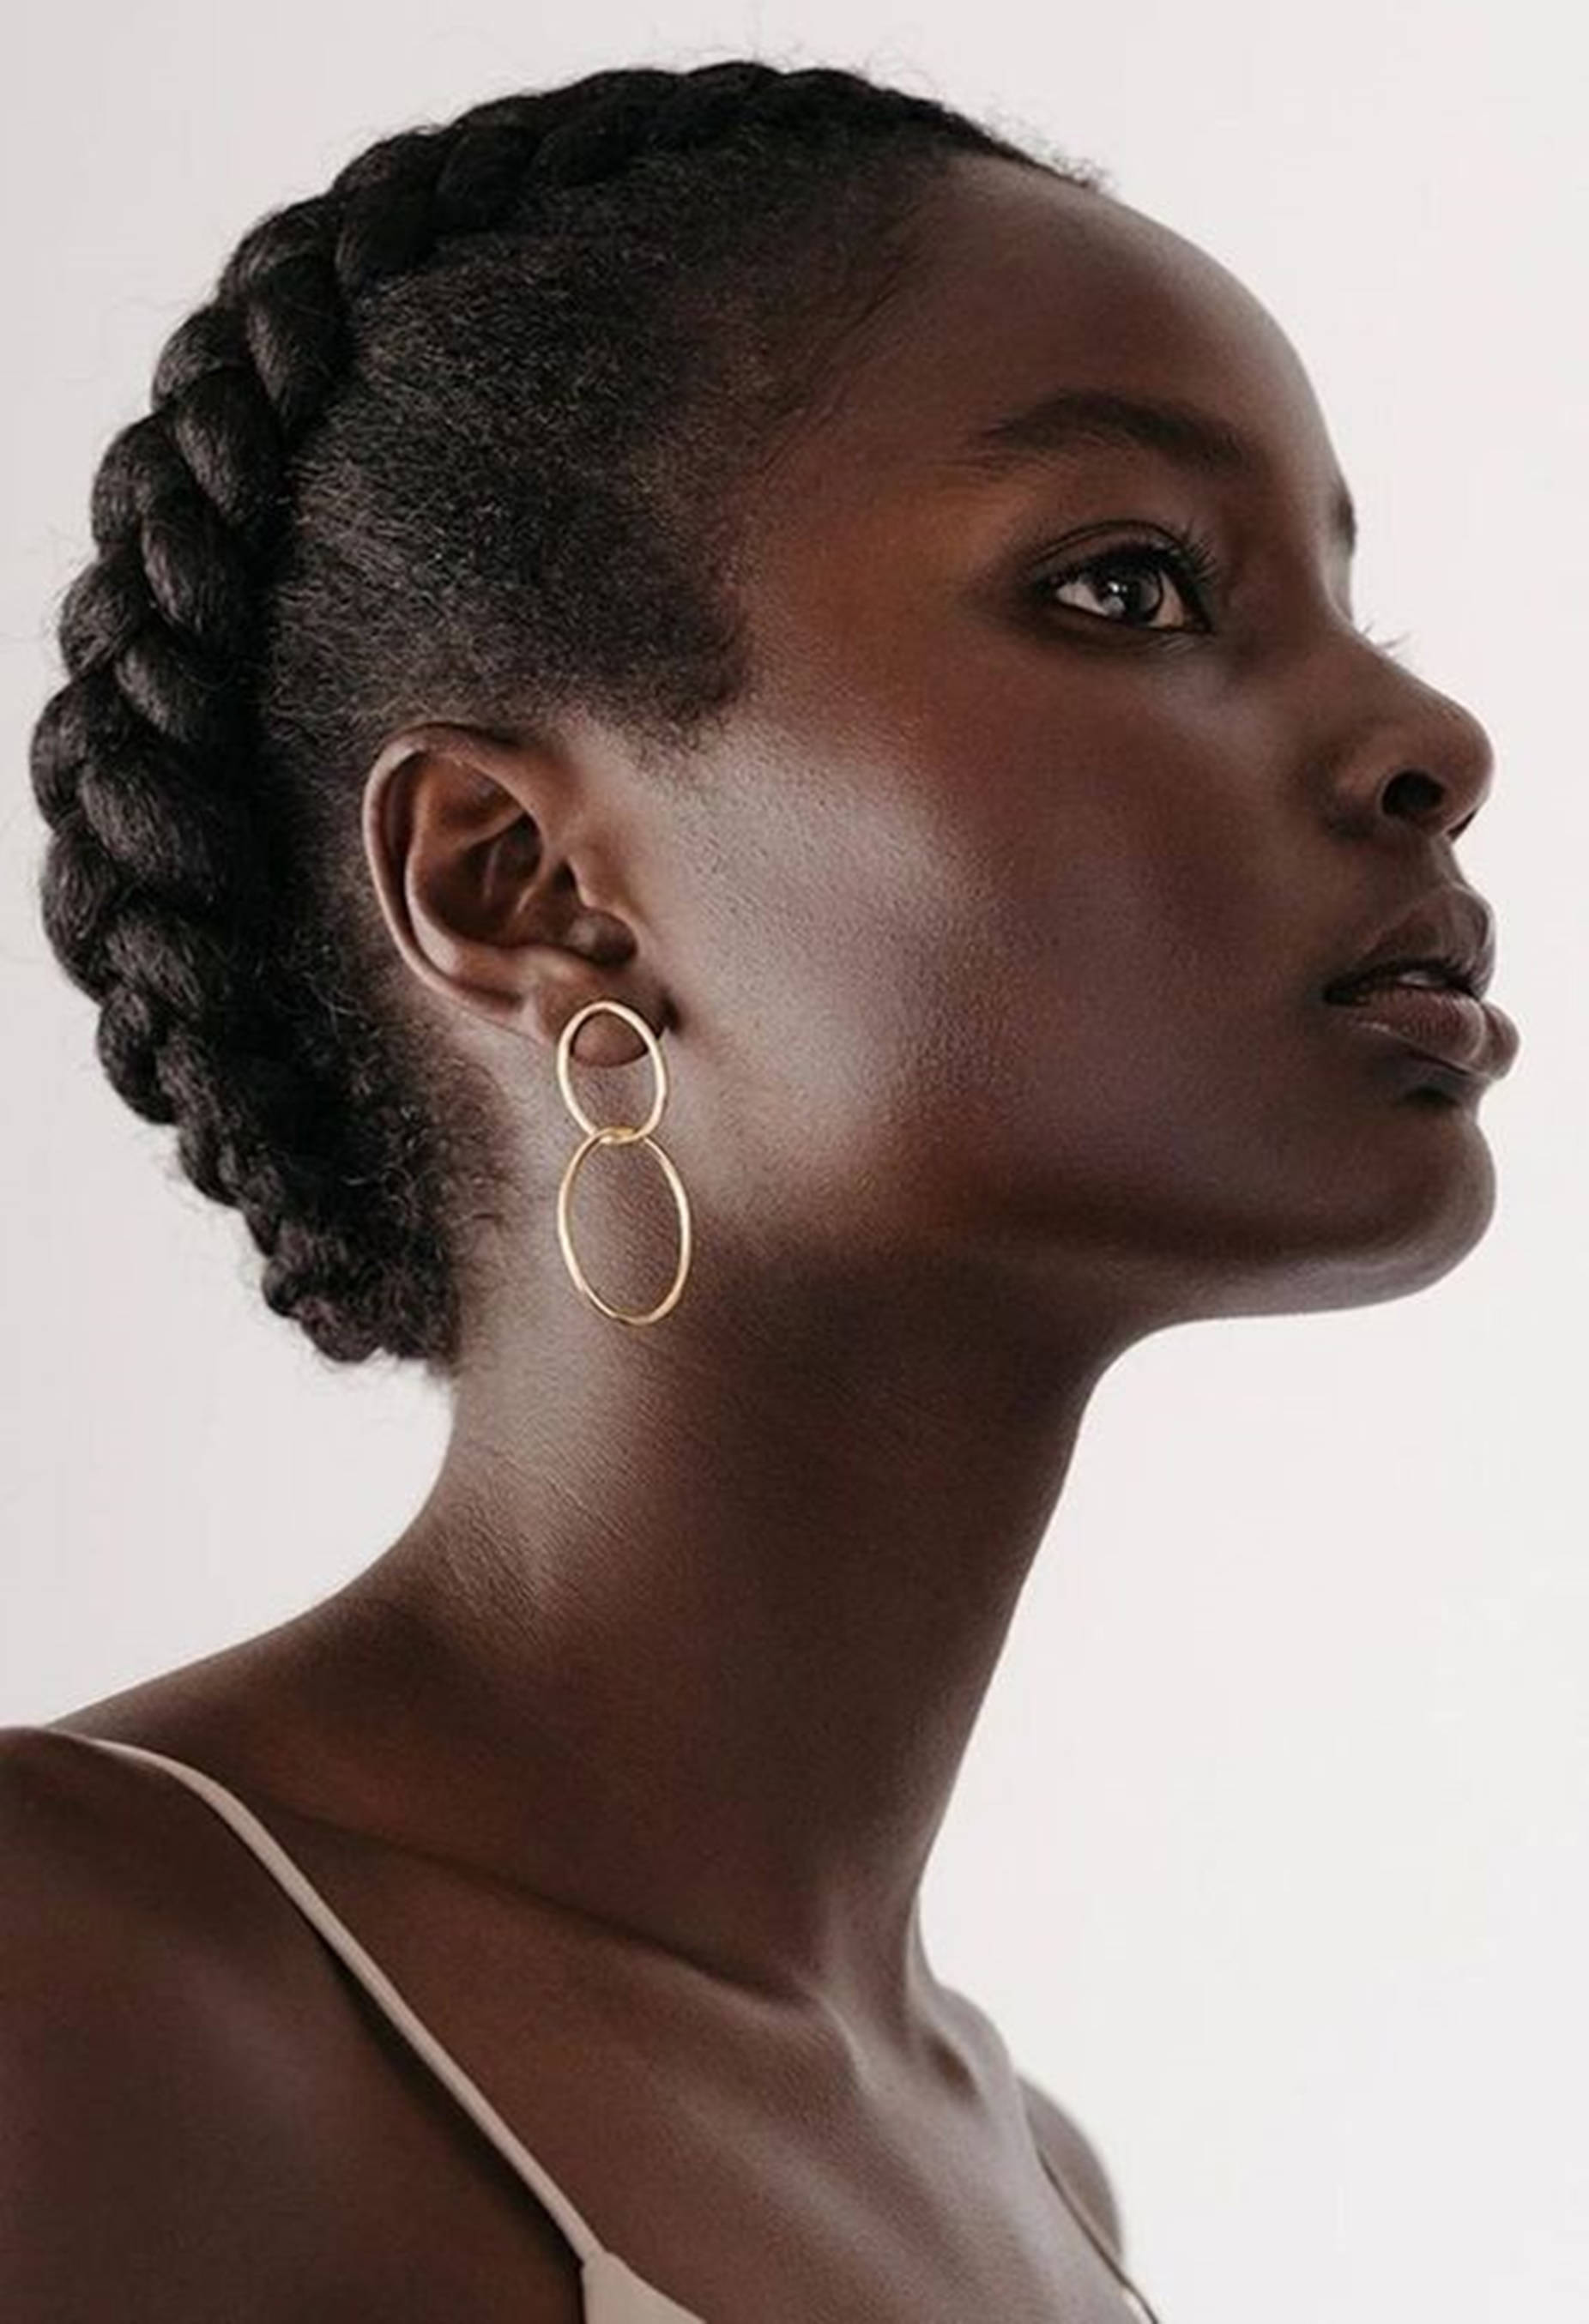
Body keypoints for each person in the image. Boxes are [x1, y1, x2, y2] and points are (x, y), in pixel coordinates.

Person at [7, 55, 1519, 2324]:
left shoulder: (1027, 2176)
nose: (1426, 736)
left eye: (1330, 588)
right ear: (522, 887)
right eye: (1127, 584)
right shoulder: (76, 1980)